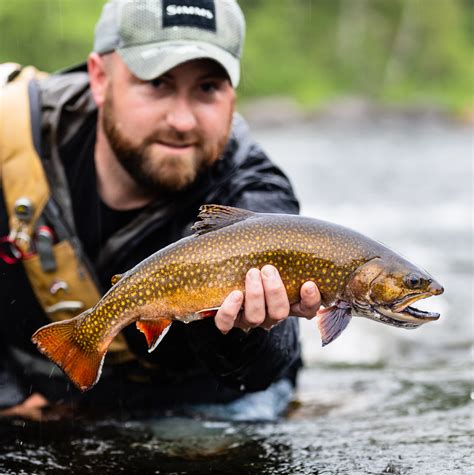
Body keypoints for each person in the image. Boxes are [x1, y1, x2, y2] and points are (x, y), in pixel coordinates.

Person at [0, 0, 320, 421]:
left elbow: (267, 368)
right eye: (157, 83)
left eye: (207, 88)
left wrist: (247, 334)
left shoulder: (254, 190)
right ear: (99, 78)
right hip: (37, 388)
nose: (183, 119)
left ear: (232, 95)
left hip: (196, 405)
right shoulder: (13, 139)